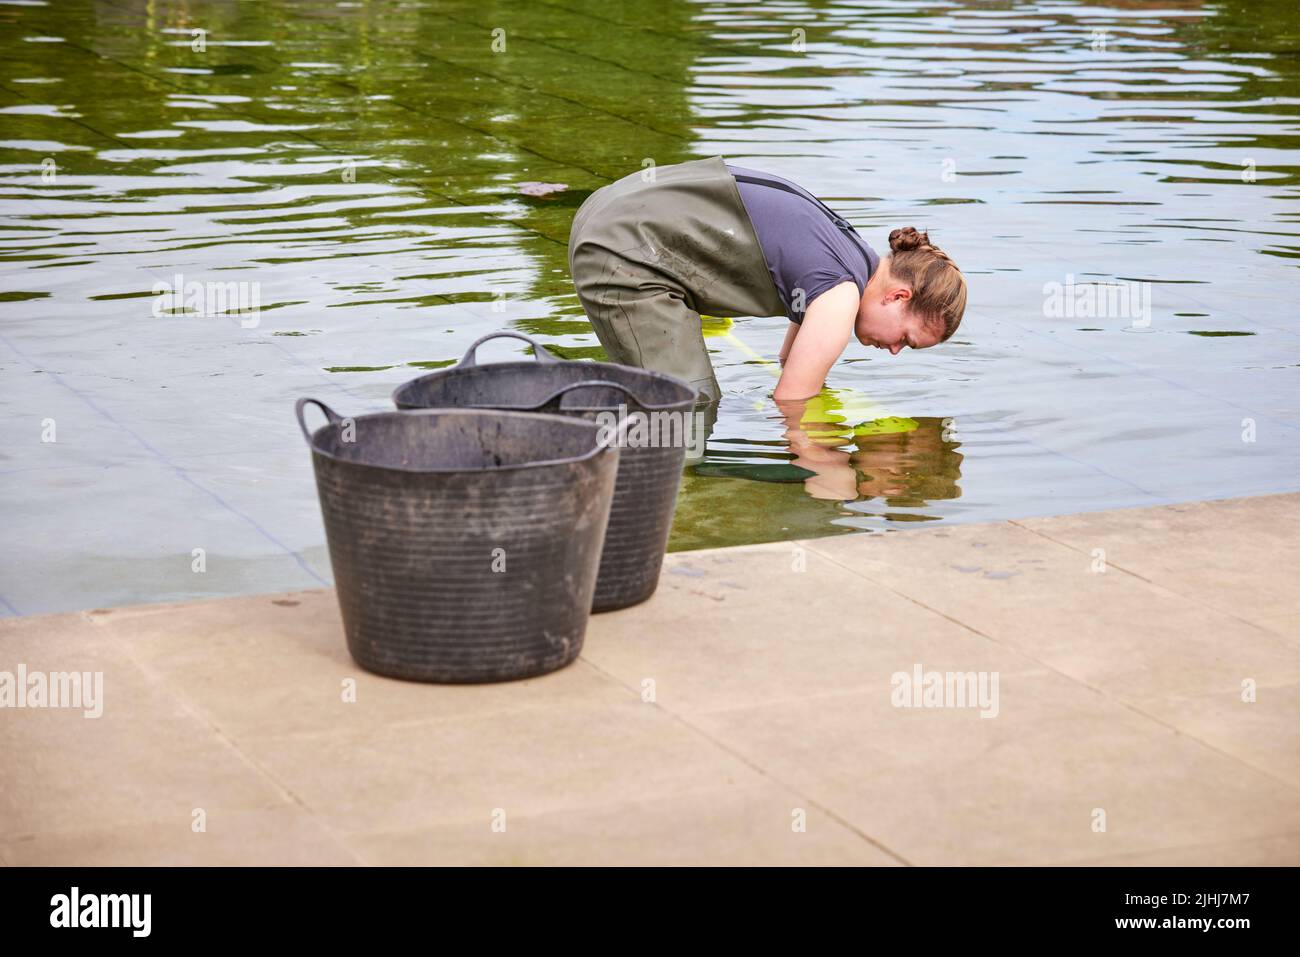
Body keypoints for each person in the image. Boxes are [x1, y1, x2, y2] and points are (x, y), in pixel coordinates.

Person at [567, 155, 967, 404]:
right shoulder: (840, 295)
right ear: (899, 296)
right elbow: (791, 401)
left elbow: (789, 364)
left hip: (611, 213)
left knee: (674, 401)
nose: (894, 350)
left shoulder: (845, 254)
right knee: (686, 409)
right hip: (624, 248)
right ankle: (679, 518)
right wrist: (829, 475)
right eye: (906, 340)